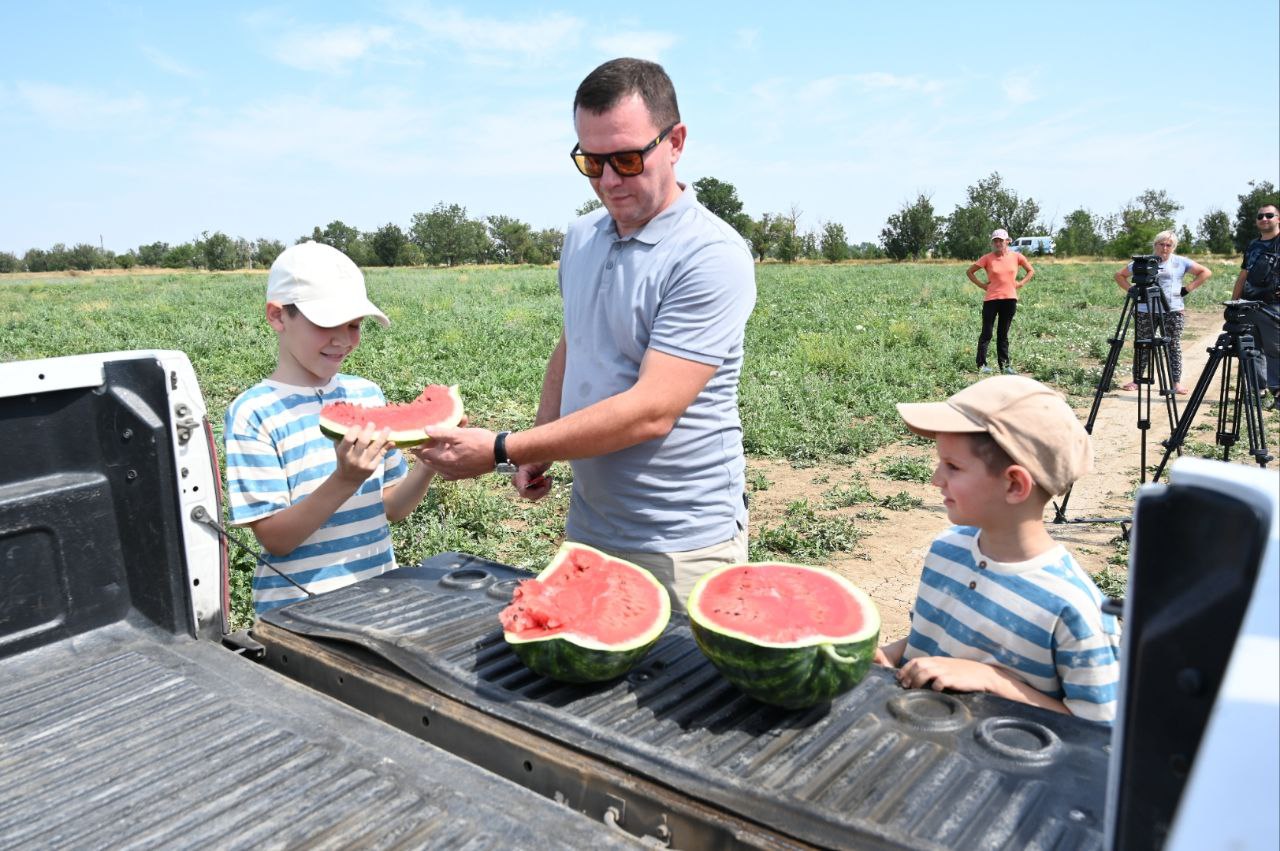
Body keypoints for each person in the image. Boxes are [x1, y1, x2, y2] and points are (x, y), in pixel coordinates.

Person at [419, 58, 756, 610]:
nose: (608, 180)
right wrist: (539, 443)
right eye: (590, 161)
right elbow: (575, 341)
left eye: (626, 159)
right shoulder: (581, 237)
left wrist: (503, 449)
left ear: (675, 141)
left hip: (682, 541)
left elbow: (653, 410)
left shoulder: (710, 255)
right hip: (591, 527)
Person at [873, 375, 1122, 723]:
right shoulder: (947, 550)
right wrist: (888, 655)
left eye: (953, 467)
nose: (935, 479)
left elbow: (1098, 732)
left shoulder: (1075, 609)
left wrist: (992, 681)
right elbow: (927, 639)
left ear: (1015, 485)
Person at [224, 241, 437, 614]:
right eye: (326, 324)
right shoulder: (254, 412)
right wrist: (345, 480)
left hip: (376, 599)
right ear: (277, 316)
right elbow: (276, 539)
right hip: (297, 614)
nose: (343, 340)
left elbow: (391, 507)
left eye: (354, 325)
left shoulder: (367, 394)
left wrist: (429, 463)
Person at [1113, 231, 1212, 395]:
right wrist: (1132, 291)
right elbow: (1119, 275)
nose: (1165, 248)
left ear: (1173, 247)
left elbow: (1205, 272)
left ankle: (1176, 383)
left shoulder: (1180, 262)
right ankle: (1137, 380)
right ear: (1155, 245)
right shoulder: (1143, 262)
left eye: (1169, 245)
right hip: (1145, 310)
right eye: (1161, 244)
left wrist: (1187, 289)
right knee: (1142, 344)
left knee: (1173, 345)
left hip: (1172, 310)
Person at [1232, 202, 1280, 410]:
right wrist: (1234, 303)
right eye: (1260, 216)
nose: (1264, 219)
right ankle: (1257, 391)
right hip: (1250, 305)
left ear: (1278, 218)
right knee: (1252, 350)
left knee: (1275, 350)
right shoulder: (1253, 245)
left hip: (1274, 306)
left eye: (1269, 215)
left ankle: (1277, 392)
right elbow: (1244, 275)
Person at [966, 229, 1035, 375]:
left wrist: (1021, 283)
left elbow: (1030, 271)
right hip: (991, 300)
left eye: (1000, 240)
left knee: (1003, 334)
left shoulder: (1017, 257)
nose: (998, 243)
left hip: (1009, 300)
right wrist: (983, 286)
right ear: (992, 242)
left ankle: (1005, 366)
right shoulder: (987, 258)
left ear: (1007, 241)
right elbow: (970, 272)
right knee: (987, 333)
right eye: (995, 241)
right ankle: (981, 364)